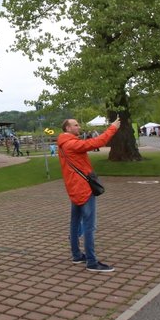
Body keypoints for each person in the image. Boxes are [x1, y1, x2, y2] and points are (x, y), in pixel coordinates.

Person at [57, 117, 121, 273]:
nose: (79, 126)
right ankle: (92, 262)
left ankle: (77, 255)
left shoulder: (63, 144)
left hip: (74, 189)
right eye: (75, 125)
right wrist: (112, 128)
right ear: (67, 129)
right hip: (83, 190)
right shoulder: (72, 144)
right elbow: (96, 143)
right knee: (89, 226)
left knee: (74, 224)